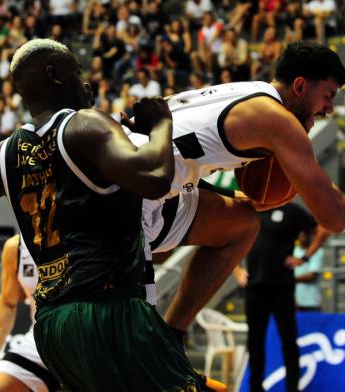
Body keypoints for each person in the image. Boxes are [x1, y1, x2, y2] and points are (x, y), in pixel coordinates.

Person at [0, 38, 217, 392]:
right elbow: (154, 181)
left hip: (51, 328)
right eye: (77, 71)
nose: (86, 83)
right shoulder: (84, 124)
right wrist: (159, 125)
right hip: (110, 311)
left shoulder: (1, 156)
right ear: (54, 75)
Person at [121, 40, 345, 335]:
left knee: (241, 222)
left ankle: (172, 335)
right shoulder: (278, 120)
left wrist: (240, 195)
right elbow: (334, 217)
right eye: (328, 96)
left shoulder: (250, 91)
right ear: (300, 86)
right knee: (129, 338)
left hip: (142, 177)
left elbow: (186, 156)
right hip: (128, 194)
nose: (329, 108)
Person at [233, 203, 330, 392]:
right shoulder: (249, 209)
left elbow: (323, 229)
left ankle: (292, 388)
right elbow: (227, 238)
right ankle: (255, 387)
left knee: (288, 340)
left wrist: (305, 259)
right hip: (254, 286)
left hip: (282, 287)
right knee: (255, 340)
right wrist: (236, 270)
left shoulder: (291, 210)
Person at [0, 234, 60, 392]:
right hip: (39, 342)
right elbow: (7, 302)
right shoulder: (16, 246)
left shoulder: (83, 236)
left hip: (88, 339)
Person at [294, 228, 327, 311]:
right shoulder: (292, 250)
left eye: (305, 233)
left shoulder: (317, 251)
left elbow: (311, 276)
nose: (303, 236)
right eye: (300, 234)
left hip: (311, 303)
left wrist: (289, 279)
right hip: (294, 302)